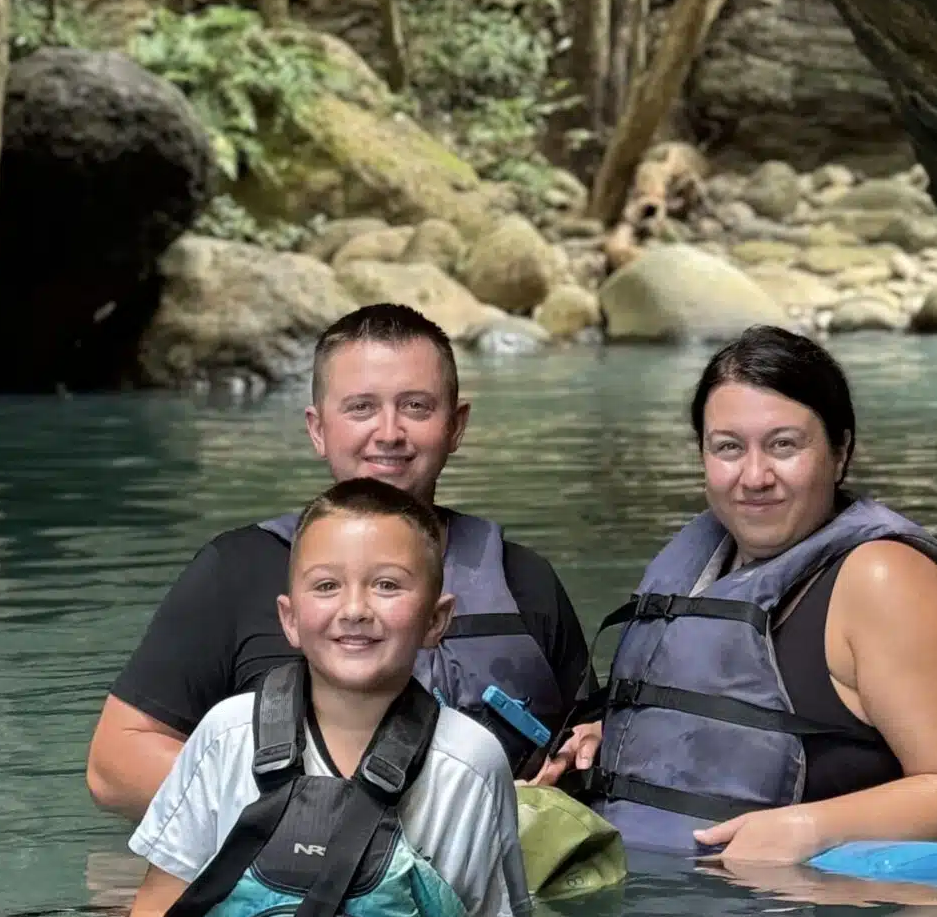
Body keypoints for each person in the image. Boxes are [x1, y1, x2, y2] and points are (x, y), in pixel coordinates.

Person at [86, 303, 590, 820]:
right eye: (360, 408)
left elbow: (593, 742)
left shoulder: (525, 581)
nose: (389, 432)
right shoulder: (237, 570)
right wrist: (311, 818)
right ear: (317, 428)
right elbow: (114, 766)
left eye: (416, 406)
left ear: (456, 425)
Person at [537, 325, 937, 866]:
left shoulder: (882, 576)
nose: (754, 476)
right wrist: (624, 739)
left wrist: (809, 826)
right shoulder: (703, 560)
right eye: (728, 447)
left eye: (783, 445)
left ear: (840, 452)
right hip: (651, 905)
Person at [128, 480, 527, 917]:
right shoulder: (227, 735)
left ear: (435, 619)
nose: (355, 609)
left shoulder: (469, 763)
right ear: (289, 619)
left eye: (387, 585)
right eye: (326, 586)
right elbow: (154, 911)